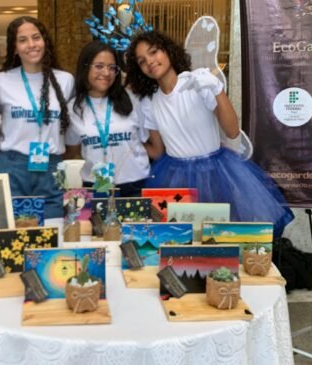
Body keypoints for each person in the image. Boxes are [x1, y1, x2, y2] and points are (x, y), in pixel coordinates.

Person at [126, 30, 293, 234]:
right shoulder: (149, 102)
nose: (150, 61)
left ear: (168, 51)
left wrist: (216, 89)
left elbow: (232, 131)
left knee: (219, 236)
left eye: (154, 52)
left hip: (215, 173)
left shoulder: (198, 83)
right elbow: (158, 150)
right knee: (179, 237)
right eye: (142, 61)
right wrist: (127, 142)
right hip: (174, 177)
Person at [0, 16, 74, 218]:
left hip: (53, 165)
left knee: (53, 232)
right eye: (22, 40)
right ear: (14, 48)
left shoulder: (65, 81)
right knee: (13, 236)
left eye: (36, 37)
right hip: (12, 166)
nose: (31, 45)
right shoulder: (1, 81)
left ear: (44, 41)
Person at [65, 40, 150, 197]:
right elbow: (72, 151)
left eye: (112, 68)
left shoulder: (133, 99)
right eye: (99, 66)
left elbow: (149, 143)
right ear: (85, 68)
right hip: (96, 186)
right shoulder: (73, 108)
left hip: (135, 185)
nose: (106, 73)